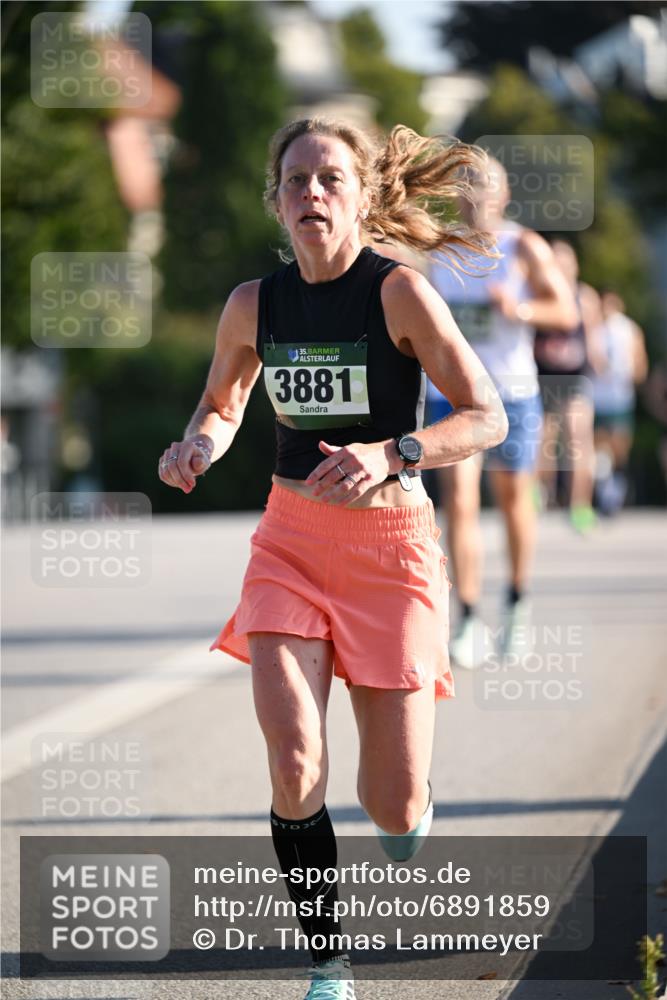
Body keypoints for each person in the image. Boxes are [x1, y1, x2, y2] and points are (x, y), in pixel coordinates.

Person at [158, 117, 507, 999]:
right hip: (290, 544)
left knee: (392, 803)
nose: (311, 192)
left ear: (360, 197)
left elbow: (486, 416)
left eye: (329, 179)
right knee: (294, 764)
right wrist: (198, 445)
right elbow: (222, 403)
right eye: (295, 180)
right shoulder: (253, 304)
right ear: (275, 201)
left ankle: (410, 804)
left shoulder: (399, 295)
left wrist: (393, 453)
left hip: (391, 553)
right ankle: (328, 962)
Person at [427, 158, 578, 669]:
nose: (475, 196)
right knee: (460, 500)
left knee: (513, 501)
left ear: (504, 194)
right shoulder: (441, 248)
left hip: (511, 393)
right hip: (451, 395)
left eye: (485, 186)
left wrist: (520, 310)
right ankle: (468, 616)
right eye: (467, 187)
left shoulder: (522, 246)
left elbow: (566, 310)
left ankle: (516, 602)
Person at [534, 240, 603, 534]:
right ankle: (540, 494)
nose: (560, 268)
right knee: (543, 442)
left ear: (575, 266)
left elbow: (593, 339)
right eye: (555, 263)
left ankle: (580, 506)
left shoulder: (584, 297)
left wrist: (598, 363)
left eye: (565, 263)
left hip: (575, 378)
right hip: (543, 378)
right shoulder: (539, 295)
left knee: (579, 440)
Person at [593, 290, 648, 514]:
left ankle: (616, 487)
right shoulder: (594, 327)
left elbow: (640, 365)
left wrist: (631, 372)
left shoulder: (629, 329)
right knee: (599, 446)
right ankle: (604, 490)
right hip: (597, 396)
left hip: (621, 397)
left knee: (619, 447)